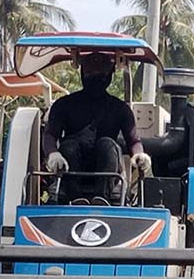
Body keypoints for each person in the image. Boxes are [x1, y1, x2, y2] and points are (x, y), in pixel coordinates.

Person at [42, 52, 151, 198]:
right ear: (82, 71)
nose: (96, 75)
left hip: (108, 172)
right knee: (69, 146)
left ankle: (102, 197)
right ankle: (75, 198)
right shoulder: (63, 105)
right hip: (71, 168)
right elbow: (50, 134)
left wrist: (139, 154)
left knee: (107, 144)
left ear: (110, 74)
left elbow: (133, 141)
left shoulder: (120, 109)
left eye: (101, 72)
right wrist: (53, 154)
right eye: (91, 71)